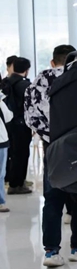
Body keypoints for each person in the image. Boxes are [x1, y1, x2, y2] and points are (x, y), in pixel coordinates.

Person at [25, 44, 77, 266]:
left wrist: (51, 137)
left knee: (52, 200)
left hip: (52, 148)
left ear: (53, 62)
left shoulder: (39, 82)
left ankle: (51, 251)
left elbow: (30, 117)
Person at [4, 57, 32, 195]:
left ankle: (10, 180)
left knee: (11, 153)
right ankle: (17, 184)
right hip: (21, 124)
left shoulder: (5, 82)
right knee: (22, 154)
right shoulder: (25, 85)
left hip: (7, 123)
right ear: (27, 70)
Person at [0, 93, 13, 212]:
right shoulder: (0, 101)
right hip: (1, 140)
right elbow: (8, 117)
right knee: (0, 173)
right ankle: (0, 202)